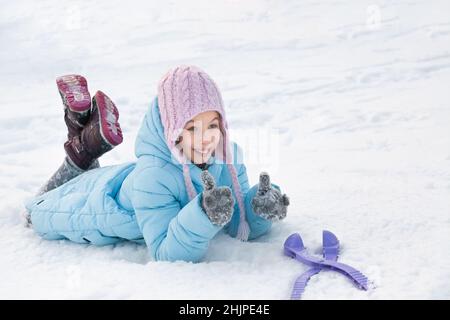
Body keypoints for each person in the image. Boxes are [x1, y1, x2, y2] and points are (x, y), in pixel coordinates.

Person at [24, 65, 290, 263]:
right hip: (84, 206)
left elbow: (237, 222)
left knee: (86, 171)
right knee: (40, 207)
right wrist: (203, 213)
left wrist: (259, 208)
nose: (206, 138)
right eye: (192, 128)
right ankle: (81, 145)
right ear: (172, 129)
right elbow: (166, 253)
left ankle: (81, 135)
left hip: (121, 180)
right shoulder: (152, 179)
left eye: (212, 125)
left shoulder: (227, 157)